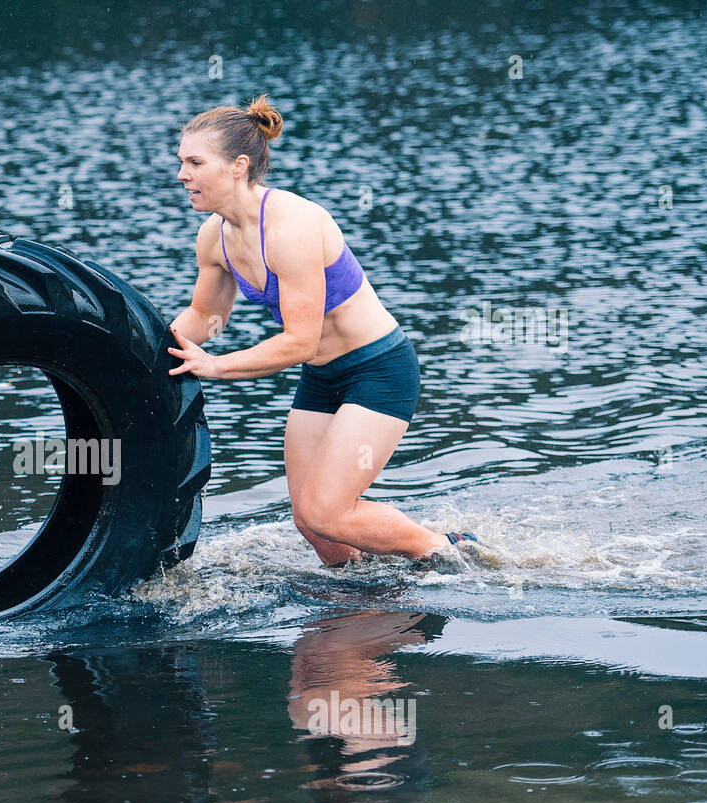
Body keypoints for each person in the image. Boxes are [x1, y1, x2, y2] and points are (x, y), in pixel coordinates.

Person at [167, 94, 478, 566]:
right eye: (181, 162)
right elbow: (206, 317)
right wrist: (147, 351)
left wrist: (215, 367)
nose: (181, 175)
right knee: (312, 524)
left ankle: (452, 553)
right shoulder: (215, 236)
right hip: (322, 378)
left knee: (327, 511)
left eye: (194, 162)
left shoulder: (291, 226)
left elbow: (299, 341)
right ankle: (361, 598)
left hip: (379, 370)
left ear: (238, 166)